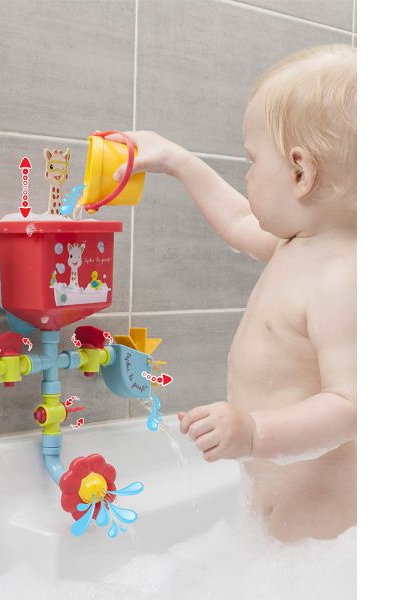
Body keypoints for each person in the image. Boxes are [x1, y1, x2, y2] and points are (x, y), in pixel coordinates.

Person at [109, 44, 357, 542]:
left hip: (321, 503)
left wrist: (256, 431)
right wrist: (177, 161)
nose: (246, 175)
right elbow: (240, 219)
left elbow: (350, 405)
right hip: (275, 486)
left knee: (291, 565)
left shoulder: (341, 279)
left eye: (252, 160)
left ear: (301, 173)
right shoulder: (296, 242)